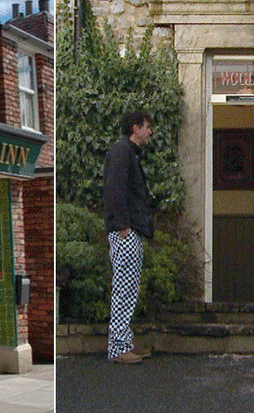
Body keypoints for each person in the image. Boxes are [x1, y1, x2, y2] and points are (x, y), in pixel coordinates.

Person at [102, 110, 155, 364]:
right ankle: (118, 350)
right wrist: (123, 227)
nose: (150, 131)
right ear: (135, 128)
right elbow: (114, 189)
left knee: (128, 290)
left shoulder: (128, 152)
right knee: (124, 290)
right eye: (146, 127)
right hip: (125, 233)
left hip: (129, 231)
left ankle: (124, 344)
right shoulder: (122, 151)